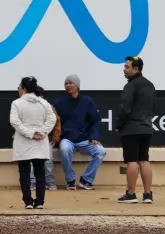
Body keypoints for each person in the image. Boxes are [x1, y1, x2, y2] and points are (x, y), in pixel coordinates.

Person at [9, 76, 57, 209]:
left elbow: (15, 122)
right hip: (40, 142)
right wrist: (41, 132)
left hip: (23, 141)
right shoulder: (43, 103)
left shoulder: (17, 103)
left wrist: (30, 133)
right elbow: (52, 119)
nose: (18, 90)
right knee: (39, 171)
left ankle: (28, 202)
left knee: (24, 171)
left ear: (24, 89)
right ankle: (40, 202)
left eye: (19, 87)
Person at [53, 75, 106, 190]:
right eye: (66, 83)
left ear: (77, 85)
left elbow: (95, 120)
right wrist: (56, 137)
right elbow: (54, 121)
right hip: (67, 139)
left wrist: (94, 136)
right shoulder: (60, 102)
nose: (68, 85)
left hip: (85, 139)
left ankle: (86, 180)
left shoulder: (88, 101)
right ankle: (70, 180)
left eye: (70, 83)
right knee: (65, 149)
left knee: (100, 151)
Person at [115, 56, 156, 204]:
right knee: (144, 160)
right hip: (146, 128)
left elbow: (125, 108)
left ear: (136, 69)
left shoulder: (131, 86)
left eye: (127, 67)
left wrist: (118, 125)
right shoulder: (150, 85)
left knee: (132, 161)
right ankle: (147, 194)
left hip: (131, 129)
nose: (124, 69)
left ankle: (131, 194)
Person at [29, 86, 62, 190]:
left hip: (46, 139)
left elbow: (57, 122)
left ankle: (49, 182)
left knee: (48, 161)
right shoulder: (27, 107)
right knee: (31, 160)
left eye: (40, 96)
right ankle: (32, 182)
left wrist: (55, 138)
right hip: (31, 138)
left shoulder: (49, 107)